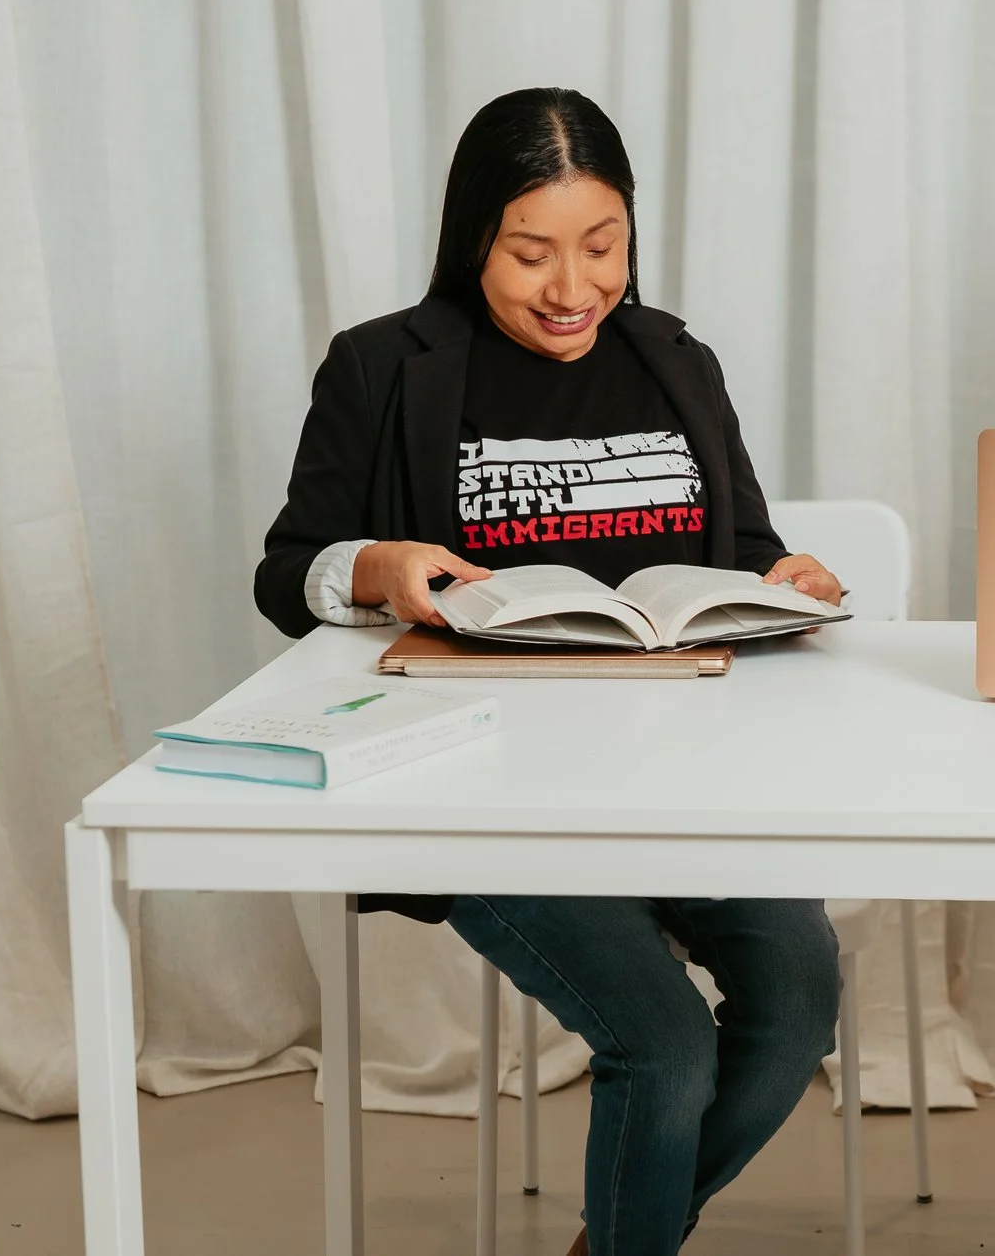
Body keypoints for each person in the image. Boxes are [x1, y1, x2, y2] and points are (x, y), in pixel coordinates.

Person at [254, 88, 844, 1256]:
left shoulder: (676, 359)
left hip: (687, 781)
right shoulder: (385, 367)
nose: (573, 287)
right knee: (665, 1045)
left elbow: (738, 550)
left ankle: (619, 1239)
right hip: (487, 796)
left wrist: (787, 575)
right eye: (531, 253)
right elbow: (286, 575)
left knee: (796, 1007)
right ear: (475, 236)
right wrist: (375, 564)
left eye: (602, 246)